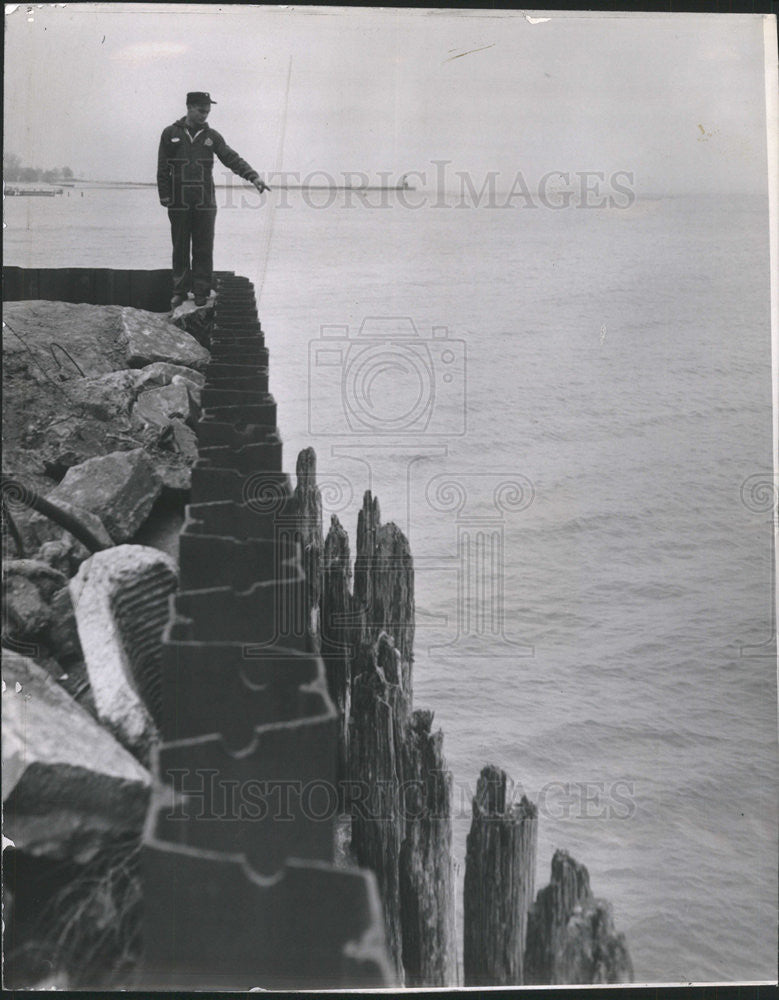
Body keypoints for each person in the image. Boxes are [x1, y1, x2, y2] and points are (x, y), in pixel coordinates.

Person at [157, 91, 268, 309]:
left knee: (203, 247)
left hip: (205, 201)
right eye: (201, 111)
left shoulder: (213, 136)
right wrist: (165, 195)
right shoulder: (170, 133)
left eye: (207, 111)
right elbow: (162, 168)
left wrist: (253, 176)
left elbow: (230, 158)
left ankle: (201, 291)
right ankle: (179, 291)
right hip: (178, 201)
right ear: (189, 107)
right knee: (180, 246)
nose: (205, 115)